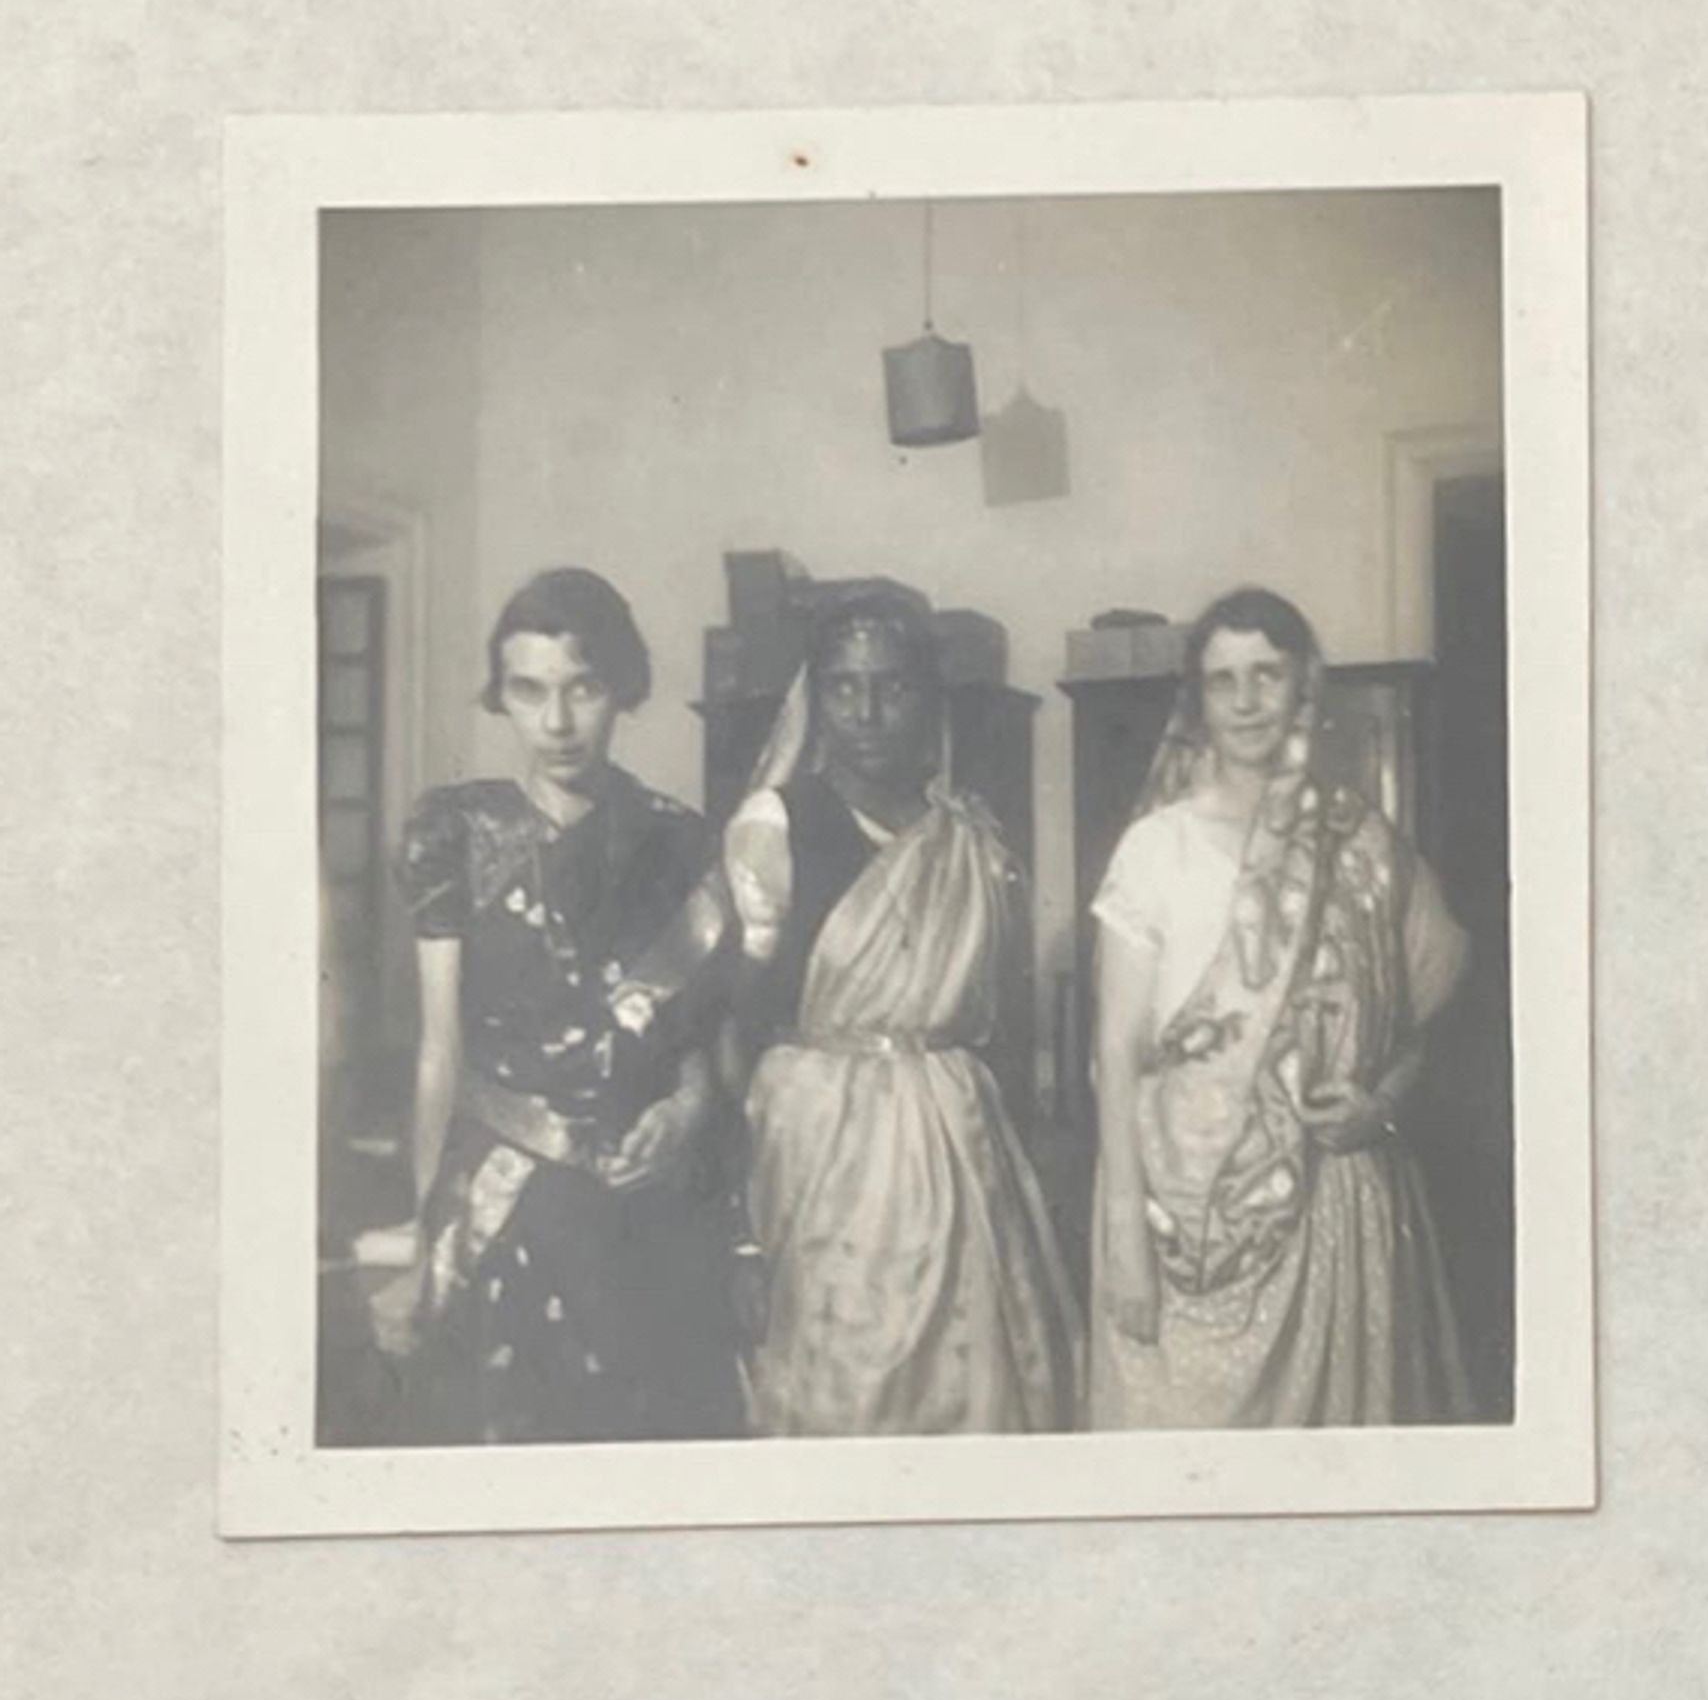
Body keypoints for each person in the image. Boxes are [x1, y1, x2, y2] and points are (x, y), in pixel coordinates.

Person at [1087, 586, 1474, 1429]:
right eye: (1224, 680)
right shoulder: (1158, 848)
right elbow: (1114, 1052)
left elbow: (1424, 1017)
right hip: (1176, 1208)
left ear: (1304, 686)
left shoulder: (1361, 841)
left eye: (1267, 674)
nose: (1248, 699)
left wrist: (1381, 1106)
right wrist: (1123, 1232)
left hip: (1336, 1200)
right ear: (1199, 700)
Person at [715, 588, 1081, 1437]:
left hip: (957, 1156)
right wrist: (741, 1232)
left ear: (927, 697)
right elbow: (730, 1032)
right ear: (818, 697)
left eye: (892, 686)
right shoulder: (777, 828)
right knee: (842, 1389)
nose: (869, 712)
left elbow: (1006, 1033)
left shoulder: (970, 839)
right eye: (844, 687)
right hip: (819, 1155)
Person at [392, 567, 745, 1445]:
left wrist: (688, 1112)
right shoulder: (454, 833)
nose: (556, 724)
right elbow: (440, 1050)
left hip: (643, 1213)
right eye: (528, 691)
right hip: (500, 1200)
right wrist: (423, 1239)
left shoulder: (679, 838)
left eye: (582, 688)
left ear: (621, 688)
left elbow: (698, 1047)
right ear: (501, 697)